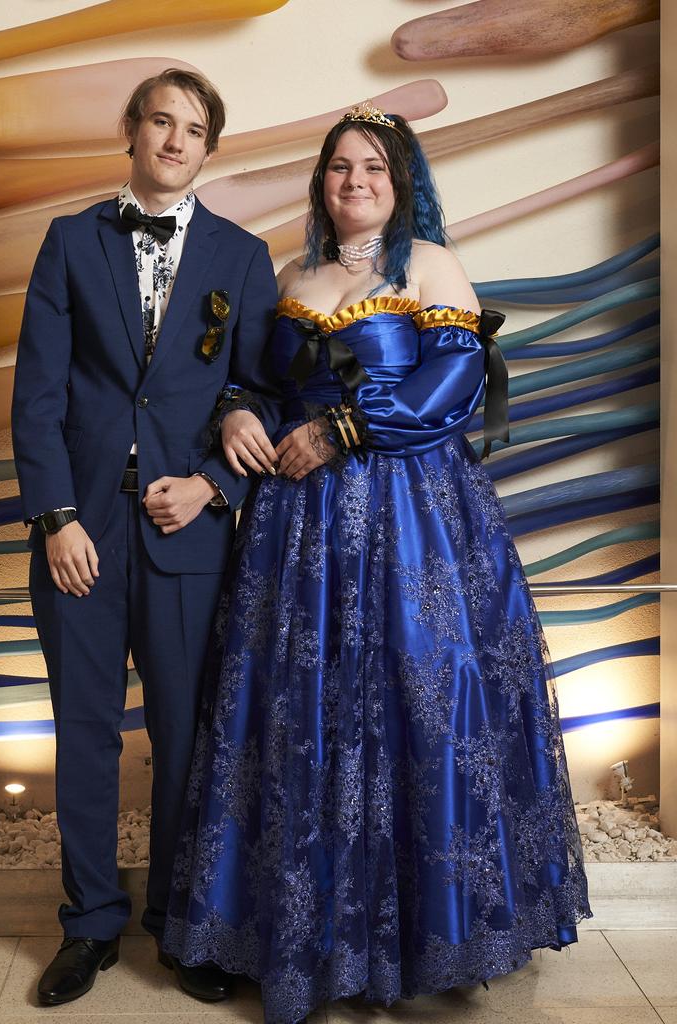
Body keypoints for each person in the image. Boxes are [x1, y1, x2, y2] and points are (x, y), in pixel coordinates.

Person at [162, 104, 592, 1024]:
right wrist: (240, 412)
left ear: (402, 184)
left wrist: (346, 428)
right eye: (339, 168)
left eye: (373, 169)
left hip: (410, 516)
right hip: (296, 527)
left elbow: (455, 385)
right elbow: (257, 381)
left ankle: (431, 935)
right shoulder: (289, 274)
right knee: (299, 710)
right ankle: (306, 934)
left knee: (420, 697)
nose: (354, 183)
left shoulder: (430, 266)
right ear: (320, 182)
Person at [11, 67, 281, 1007]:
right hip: (80, 532)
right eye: (160, 121)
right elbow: (38, 396)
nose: (174, 140)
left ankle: (178, 921)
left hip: (187, 538)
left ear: (211, 148)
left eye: (193, 128)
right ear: (131, 130)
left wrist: (209, 484)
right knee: (83, 733)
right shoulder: (68, 242)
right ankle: (88, 925)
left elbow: (261, 393)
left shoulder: (244, 258)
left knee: (184, 734)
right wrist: (56, 519)